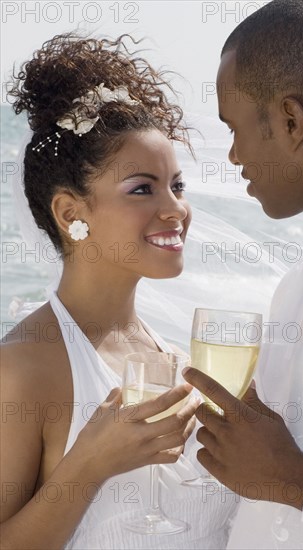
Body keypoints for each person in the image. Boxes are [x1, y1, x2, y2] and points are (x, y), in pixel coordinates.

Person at [0, 34, 238, 549]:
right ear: (70, 213)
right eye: (142, 188)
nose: (175, 209)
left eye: (177, 185)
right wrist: (90, 462)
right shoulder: (23, 369)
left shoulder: (173, 361)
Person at [183, 0, 303, 548]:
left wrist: (296, 481)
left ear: (292, 120)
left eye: (234, 129)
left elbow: (283, 477)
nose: (234, 155)